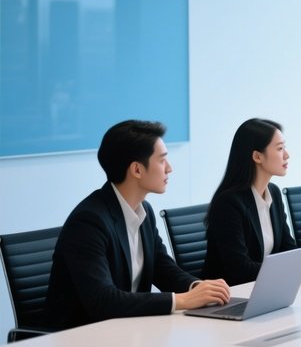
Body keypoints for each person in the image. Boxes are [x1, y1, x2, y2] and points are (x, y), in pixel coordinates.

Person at [45, 120, 230, 330]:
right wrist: (183, 300)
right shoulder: (89, 221)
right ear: (137, 169)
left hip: (128, 330)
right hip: (80, 339)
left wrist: (198, 288)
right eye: (162, 160)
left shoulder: (144, 211)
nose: (169, 168)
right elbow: (103, 301)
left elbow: (162, 268)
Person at [202, 118, 301, 286]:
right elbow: (240, 269)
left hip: (266, 287)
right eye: (279, 148)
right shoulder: (228, 203)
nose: (287, 155)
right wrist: (297, 268)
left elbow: (288, 249)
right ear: (257, 156)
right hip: (231, 295)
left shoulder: (274, 193)